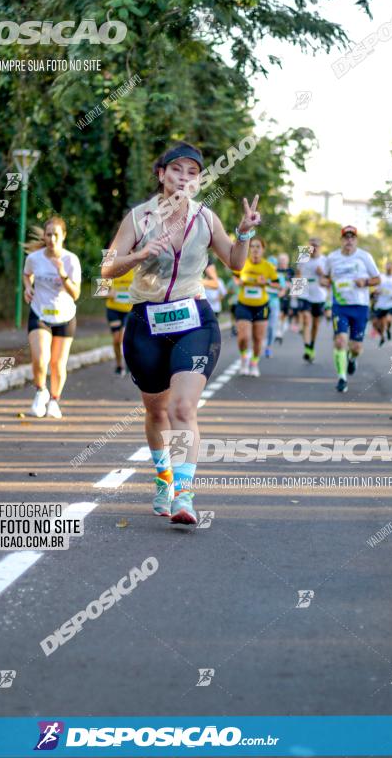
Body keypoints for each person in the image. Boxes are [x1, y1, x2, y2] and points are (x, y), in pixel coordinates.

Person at [101, 141, 261, 525]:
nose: (184, 179)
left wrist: (241, 233)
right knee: (156, 410)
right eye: (177, 171)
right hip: (145, 323)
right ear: (161, 175)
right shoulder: (138, 218)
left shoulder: (206, 218)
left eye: (192, 174)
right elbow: (107, 268)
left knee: (183, 408)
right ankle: (164, 479)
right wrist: (137, 255)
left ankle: (185, 496)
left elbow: (236, 264)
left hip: (194, 322)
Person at [23, 215, 82, 418]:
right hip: (40, 313)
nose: (52, 239)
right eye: (48, 234)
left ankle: (55, 400)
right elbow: (27, 274)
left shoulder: (71, 260)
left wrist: (63, 273)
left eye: (56, 235)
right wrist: (28, 287)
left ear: (63, 236)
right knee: (40, 359)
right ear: (45, 236)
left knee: (58, 364)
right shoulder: (34, 258)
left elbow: (75, 294)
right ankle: (41, 392)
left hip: (65, 317)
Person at [320, 225, 380, 393]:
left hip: (360, 306)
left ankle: (352, 359)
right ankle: (342, 378)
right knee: (340, 341)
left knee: (356, 347)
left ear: (356, 240)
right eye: (346, 237)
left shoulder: (364, 257)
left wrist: (366, 282)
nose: (349, 240)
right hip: (339, 306)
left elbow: (377, 279)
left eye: (352, 237)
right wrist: (325, 282)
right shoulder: (332, 258)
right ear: (341, 240)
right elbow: (324, 279)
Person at [234, 237, 278, 377]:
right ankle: (243, 359)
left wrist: (266, 282)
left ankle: (254, 363)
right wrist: (239, 281)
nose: (255, 249)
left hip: (261, 306)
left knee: (258, 338)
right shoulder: (242, 263)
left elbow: (277, 285)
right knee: (243, 337)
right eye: (252, 246)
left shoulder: (268, 267)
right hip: (244, 305)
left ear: (263, 249)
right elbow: (235, 277)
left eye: (258, 246)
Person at [296, 237, 328, 362]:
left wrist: (322, 275)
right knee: (306, 320)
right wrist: (296, 291)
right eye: (311, 246)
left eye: (316, 246)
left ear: (320, 247)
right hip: (304, 293)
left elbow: (329, 281)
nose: (313, 248)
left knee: (315, 325)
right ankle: (306, 347)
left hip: (319, 296)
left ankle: (312, 346)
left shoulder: (325, 260)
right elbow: (298, 273)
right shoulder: (303, 256)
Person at [104, 268, 134, 374]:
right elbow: (101, 292)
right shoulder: (109, 270)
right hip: (113, 310)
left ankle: (129, 364)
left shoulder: (135, 268)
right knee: (116, 340)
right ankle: (119, 365)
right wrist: (108, 293)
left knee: (123, 338)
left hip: (129, 310)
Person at [372, 261, 392, 346]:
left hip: (391, 303)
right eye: (387, 266)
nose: (389, 268)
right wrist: (377, 292)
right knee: (375, 323)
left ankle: (388, 329)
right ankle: (382, 336)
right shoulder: (381, 277)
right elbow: (375, 290)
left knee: (388, 319)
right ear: (385, 267)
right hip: (380, 304)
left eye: (390, 266)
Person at [265, 255, 281, 357]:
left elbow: (282, 289)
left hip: (274, 304)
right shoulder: (262, 275)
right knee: (258, 327)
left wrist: (281, 293)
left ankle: (268, 347)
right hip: (262, 304)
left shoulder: (279, 277)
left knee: (271, 327)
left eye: (273, 265)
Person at [276, 253, 294, 342]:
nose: (283, 261)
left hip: (288, 296)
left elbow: (296, 283)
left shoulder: (291, 271)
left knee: (284, 314)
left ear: (287, 261)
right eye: (281, 260)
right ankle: (278, 331)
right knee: (279, 313)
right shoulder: (276, 270)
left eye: (284, 260)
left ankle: (281, 328)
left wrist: (290, 286)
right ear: (278, 261)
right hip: (277, 295)